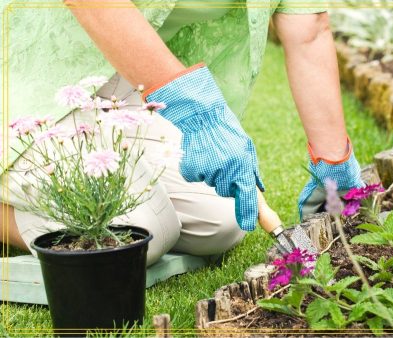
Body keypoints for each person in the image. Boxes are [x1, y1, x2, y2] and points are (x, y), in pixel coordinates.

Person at [0, 0, 364, 265]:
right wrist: (194, 109)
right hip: (24, 82)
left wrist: (334, 164)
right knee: (138, 234)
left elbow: (309, 30)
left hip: (124, 85)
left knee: (223, 222)